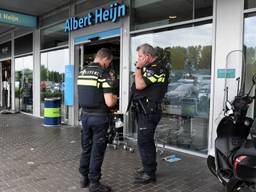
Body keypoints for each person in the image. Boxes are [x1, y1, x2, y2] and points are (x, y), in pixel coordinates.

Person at [77, 48, 117, 192]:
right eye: (109, 62)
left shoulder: (82, 72)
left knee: (86, 147)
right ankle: (94, 183)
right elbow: (109, 102)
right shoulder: (103, 74)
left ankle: (84, 178)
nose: (109, 65)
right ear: (105, 59)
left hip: (85, 116)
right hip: (99, 118)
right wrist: (115, 98)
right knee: (97, 150)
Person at [132, 43, 168, 184]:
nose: (138, 59)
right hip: (144, 110)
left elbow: (140, 85)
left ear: (147, 56)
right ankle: (148, 167)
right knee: (144, 141)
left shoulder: (157, 68)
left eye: (140, 56)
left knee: (145, 142)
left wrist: (138, 68)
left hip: (150, 111)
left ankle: (149, 173)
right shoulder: (149, 68)